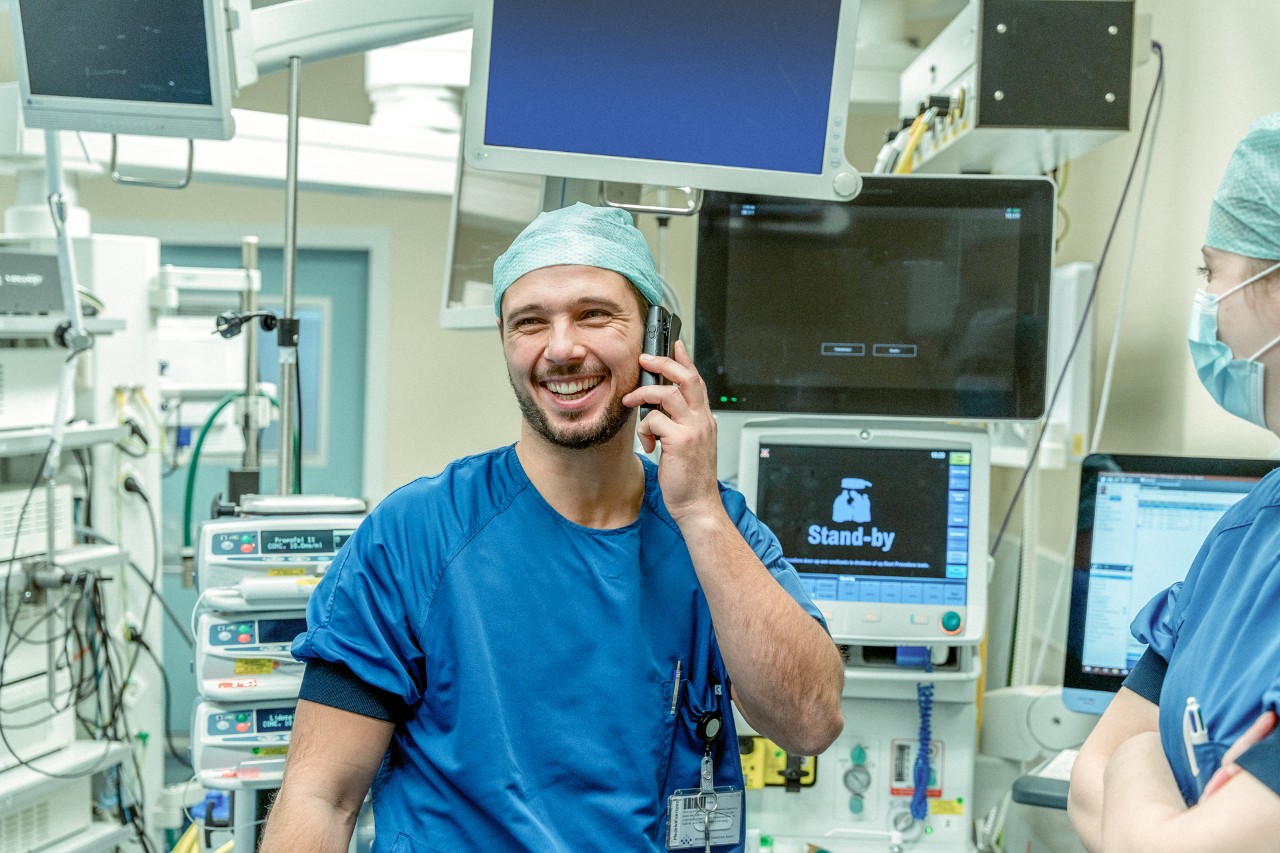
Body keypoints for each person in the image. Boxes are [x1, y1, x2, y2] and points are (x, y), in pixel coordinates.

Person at [259, 202, 845, 852]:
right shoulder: (413, 538)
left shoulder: (720, 530)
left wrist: (700, 513)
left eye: (594, 313)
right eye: (530, 322)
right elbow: (320, 796)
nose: (561, 348)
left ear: (655, 337)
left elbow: (811, 721)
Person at [1067, 114, 1280, 852]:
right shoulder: (1243, 534)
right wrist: (1145, 771)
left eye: (1212, 270)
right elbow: (1090, 777)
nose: (1207, 303)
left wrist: (1142, 763)